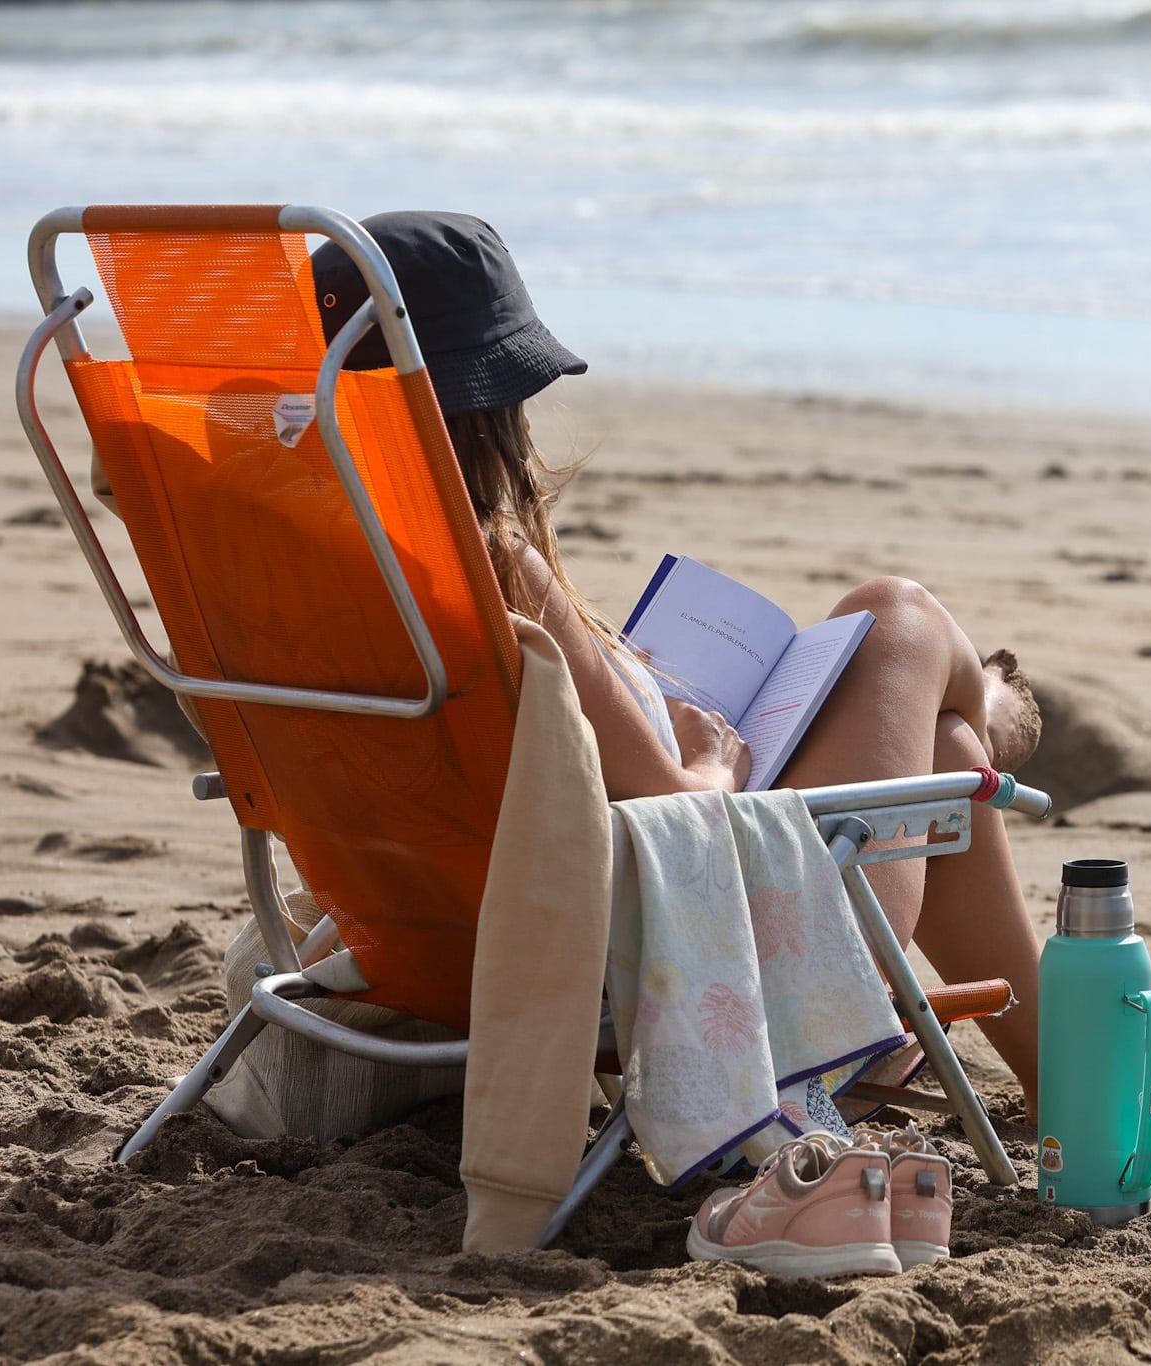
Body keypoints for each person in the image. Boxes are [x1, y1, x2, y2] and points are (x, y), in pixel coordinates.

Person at [312, 211, 1045, 1109]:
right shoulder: (482, 564)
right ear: (488, 406)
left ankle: (1062, 1076)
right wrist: (710, 758)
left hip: (417, 927)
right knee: (897, 620)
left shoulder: (287, 561)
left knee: (944, 760)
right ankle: (993, 705)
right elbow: (677, 812)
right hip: (676, 959)